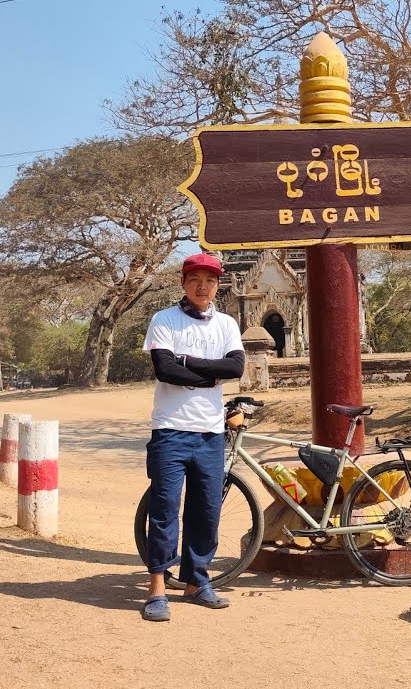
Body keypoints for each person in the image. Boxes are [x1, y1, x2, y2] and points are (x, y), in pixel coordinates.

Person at [140, 252, 245, 622]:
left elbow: (236, 367)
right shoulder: (164, 319)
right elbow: (165, 370)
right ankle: (157, 588)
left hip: (210, 432)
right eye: (195, 280)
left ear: (218, 285)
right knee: (165, 508)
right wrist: (210, 375)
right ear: (183, 283)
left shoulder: (227, 324)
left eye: (210, 280)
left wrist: (186, 361)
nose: (203, 287)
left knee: (206, 510)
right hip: (170, 429)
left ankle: (196, 582)